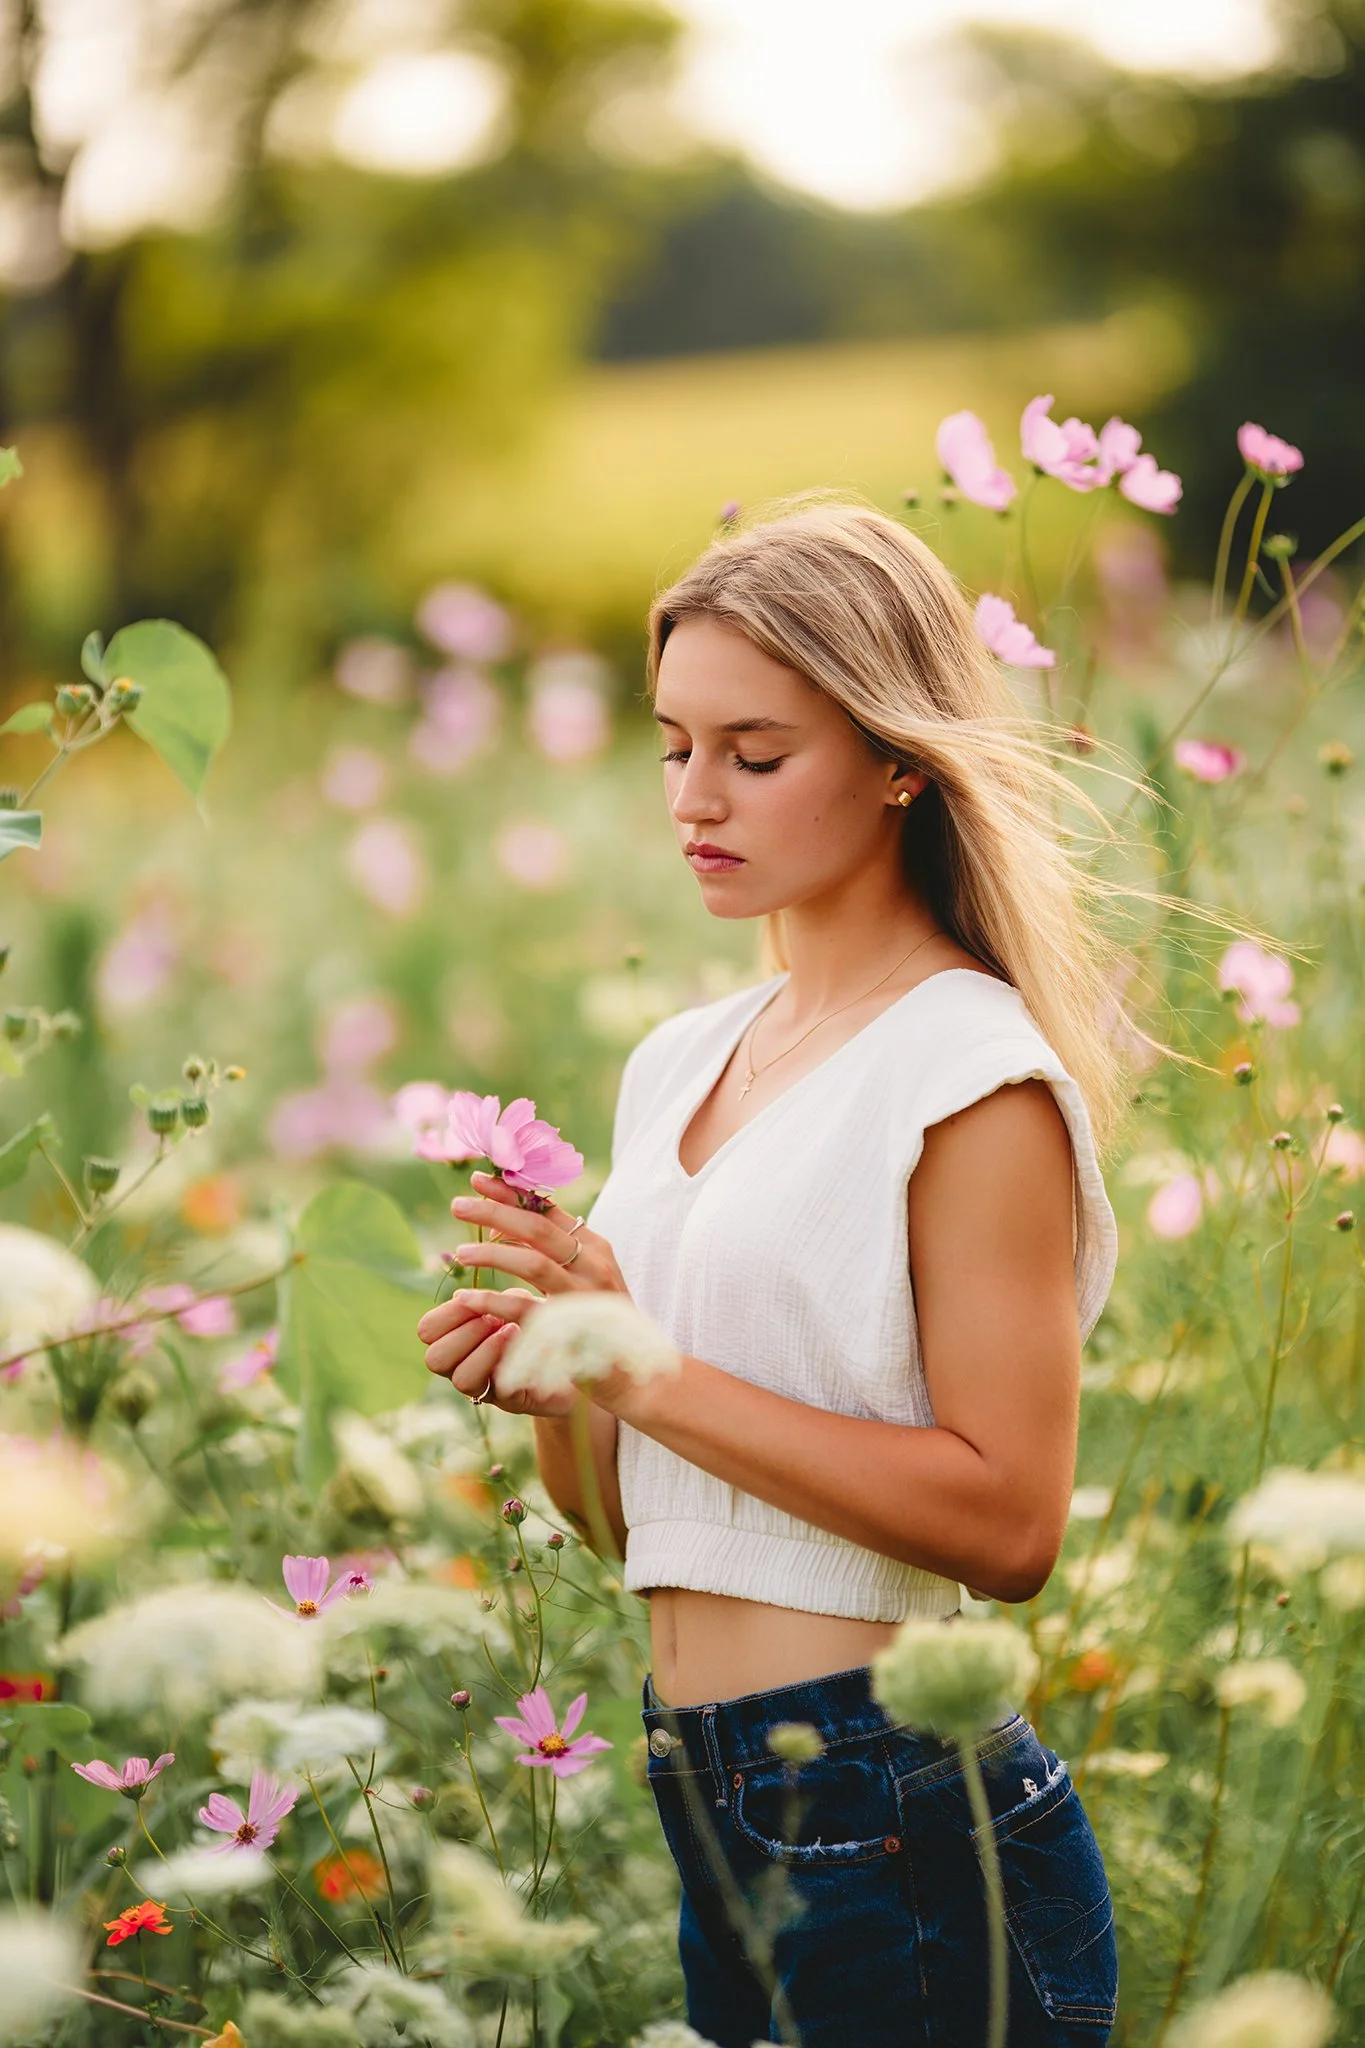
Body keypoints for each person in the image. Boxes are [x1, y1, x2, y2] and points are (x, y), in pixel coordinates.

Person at [417, 502, 1126, 2045]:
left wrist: (641, 1366)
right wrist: (558, 1373)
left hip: (896, 1804)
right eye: (675, 746)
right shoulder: (678, 1064)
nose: (694, 798)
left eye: (755, 752)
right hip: (706, 1790)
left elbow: (1010, 1525)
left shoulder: (969, 1074)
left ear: (897, 759)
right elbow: (629, 1522)